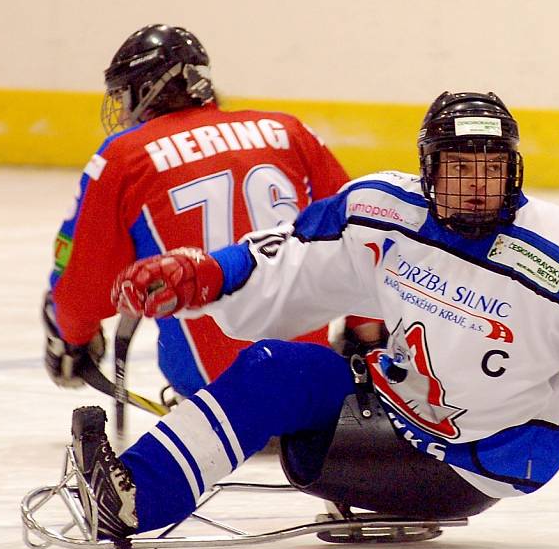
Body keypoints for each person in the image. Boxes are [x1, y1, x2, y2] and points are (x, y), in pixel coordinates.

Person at [68, 91, 559, 541]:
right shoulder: (385, 211)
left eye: (489, 169)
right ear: (428, 168)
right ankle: (135, 495)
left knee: (281, 379)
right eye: (459, 168)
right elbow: (289, 256)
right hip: (393, 409)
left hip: (481, 458)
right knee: (281, 369)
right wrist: (204, 274)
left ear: (513, 171)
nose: (475, 187)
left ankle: (139, 500)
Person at [42, 24, 352, 399]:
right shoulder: (289, 130)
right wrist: (365, 334)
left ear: (148, 90)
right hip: (311, 380)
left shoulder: (124, 155)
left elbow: (83, 290)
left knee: (64, 304)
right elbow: (367, 231)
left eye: (124, 95)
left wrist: (74, 341)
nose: (121, 110)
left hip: (213, 392)